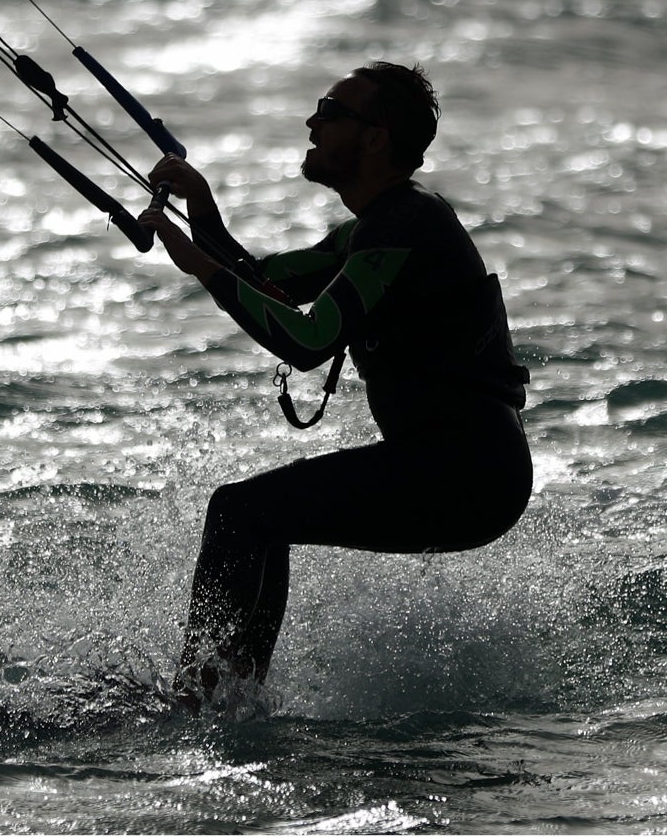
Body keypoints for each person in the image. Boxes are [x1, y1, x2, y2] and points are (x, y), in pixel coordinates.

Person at [138, 62, 532, 702]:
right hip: (452, 463)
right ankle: (227, 697)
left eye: (330, 110)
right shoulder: (371, 230)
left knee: (242, 511)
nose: (312, 122)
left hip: (470, 469)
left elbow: (307, 339)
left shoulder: (407, 225)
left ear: (375, 137)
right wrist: (202, 213)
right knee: (256, 516)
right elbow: (268, 283)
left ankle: (204, 699)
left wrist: (198, 264)